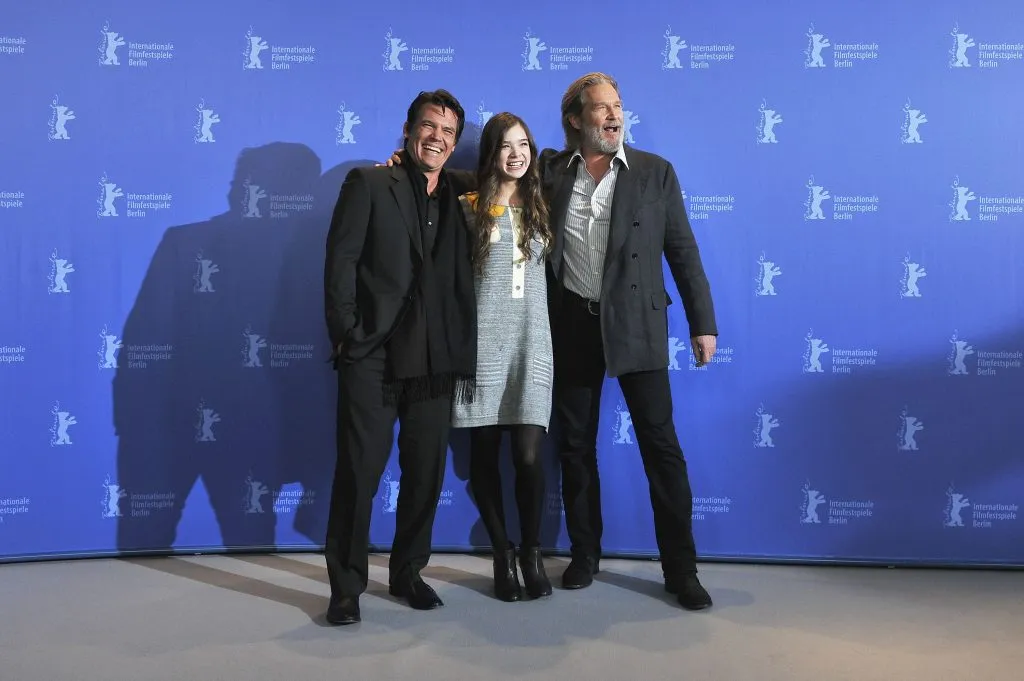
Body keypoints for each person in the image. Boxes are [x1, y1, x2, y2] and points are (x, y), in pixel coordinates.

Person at [541, 72, 718, 611]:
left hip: (637, 323)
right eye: (601, 108)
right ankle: (584, 553)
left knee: (660, 448)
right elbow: (493, 177)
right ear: (576, 119)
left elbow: (682, 250)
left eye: (617, 105)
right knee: (575, 446)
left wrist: (702, 323)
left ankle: (681, 570)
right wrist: (407, 166)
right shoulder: (551, 171)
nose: (614, 115)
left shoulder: (654, 172)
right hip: (572, 323)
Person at [322, 89, 478, 625]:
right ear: (408, 130)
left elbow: (525, 171)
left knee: (425, 473)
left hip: (434, 357)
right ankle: (346, 588)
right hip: (374, 353)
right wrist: (347, 335)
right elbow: (340, 262)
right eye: (429, 126)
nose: (438, 138)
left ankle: (408, 572)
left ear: (455, 144)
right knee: (359, 473)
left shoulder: (463, 191)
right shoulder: (368, 182)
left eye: (448, 132)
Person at [452, 112, 555, 602]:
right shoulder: (466, 207)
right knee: (484, 455)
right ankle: (501, 553)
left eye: (524, 145)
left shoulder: (543, 203)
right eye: (506, 146)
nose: (516, 155)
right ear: (490, 153)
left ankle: (532, 551)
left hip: (532, 345)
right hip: (481, 347)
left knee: (529, 456)